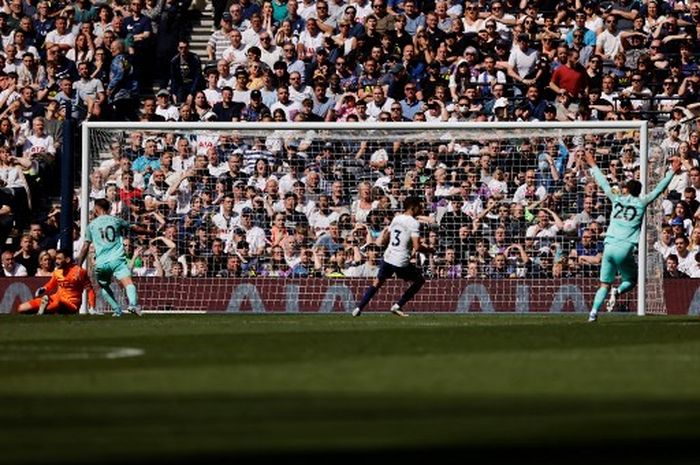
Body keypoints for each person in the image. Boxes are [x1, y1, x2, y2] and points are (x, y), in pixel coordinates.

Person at [584, 150, 681, 322]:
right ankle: (618, 291)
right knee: (632, 280)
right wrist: (672, 172)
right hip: (625, 248)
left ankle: (593, 313)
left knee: (604, 284)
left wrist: (592, 165)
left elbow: (604, 184)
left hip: (608, 247)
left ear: (627, 189)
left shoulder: (616, 199)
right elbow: (659, 189)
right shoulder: (642, 202)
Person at [352, 196, 433, 317]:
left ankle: (359, 308)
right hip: (400, 261)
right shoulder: (414, 223)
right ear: (413, 207)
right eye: (419, 206)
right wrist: (430, 249)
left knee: (377, 282)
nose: (421, 208)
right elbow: (417, 247)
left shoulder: (396, 218)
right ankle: (398, 305)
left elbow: (387, 236)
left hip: (388, 256)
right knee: (419, 281)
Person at [76, 198, 150, 317]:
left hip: (100, 263)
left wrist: (79, 265)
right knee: (128, 283)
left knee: (104, 286)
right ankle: (132, 305)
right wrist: (148, 232)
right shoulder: (116, 220)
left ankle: (117, 310)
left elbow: (85, 247)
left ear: (96, 209)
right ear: (108, 209)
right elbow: (134, 228)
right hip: (117, 260)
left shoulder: (91, 226)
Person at [17, 250, 97, 315]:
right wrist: (43, 288)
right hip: (55, 298)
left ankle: (43, 310)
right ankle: (41, 311)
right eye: (56, 259)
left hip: (71, 304)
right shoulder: (57, 272)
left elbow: (89, 289)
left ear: (67, 260)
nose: (56, 261)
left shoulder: (79, 272)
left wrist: (92, 307)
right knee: (22, 308)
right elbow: (51, 284)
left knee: (59, 303)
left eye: (59, 259)